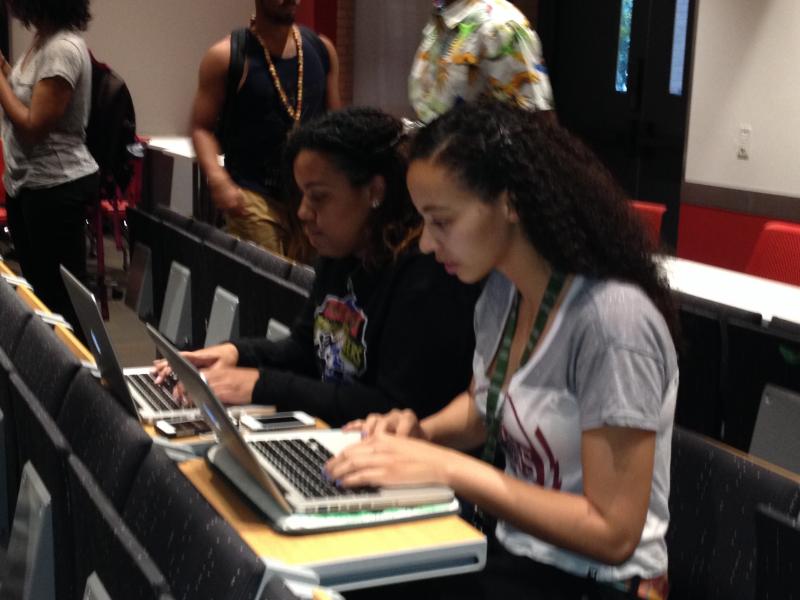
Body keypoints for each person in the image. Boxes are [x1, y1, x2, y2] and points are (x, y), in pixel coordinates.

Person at [327, 100, 678, 599]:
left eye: (441, 221)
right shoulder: (502, 293)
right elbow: (482, 409)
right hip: (520, 561)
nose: (426, 244)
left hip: (597, 584)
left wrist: (450, 469)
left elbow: (613, 532)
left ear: (511, 203)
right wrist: (415, 436)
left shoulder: (612, 322)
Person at [156, 107, 478, 428]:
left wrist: (258, 384)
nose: (303, 212)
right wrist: (235, 354)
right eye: (302, 196)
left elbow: (393, 405)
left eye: (318, 198)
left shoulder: (427, 273)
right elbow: (305, 348)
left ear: (374, 192)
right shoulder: (340, 254)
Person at [191, 0, 341, 261]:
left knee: (310, 290)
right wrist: (217, 179)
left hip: (309, 196)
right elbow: (200, 127)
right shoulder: (226, 57)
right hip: (252, 196)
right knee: (270, 290)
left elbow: (336, 125)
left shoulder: (322, 51)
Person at [0, 0, 99, 333]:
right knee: (40, 292)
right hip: (28, 185)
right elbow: (24, 95)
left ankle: (85, 380)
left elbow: (33, 126)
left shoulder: (62, 48)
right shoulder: (41, 42)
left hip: (55, 186)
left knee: (61, 300)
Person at [409, 0, 554, 123]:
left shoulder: (499, 27)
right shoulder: (442, 15)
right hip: (440, 149)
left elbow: (534, 124)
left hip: (481, 154)